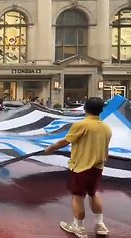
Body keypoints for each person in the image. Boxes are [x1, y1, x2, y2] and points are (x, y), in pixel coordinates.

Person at [44, 97, 110, 238]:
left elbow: (65, 141)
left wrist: (51, 149)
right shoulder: (106, 127)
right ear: (101, 110)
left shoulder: (82, 125)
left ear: (85, 109)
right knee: (93, 193)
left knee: (78, 197)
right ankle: (100, 225)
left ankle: (78, 227)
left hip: (81, 166)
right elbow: (106, 150)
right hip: (98, 167)